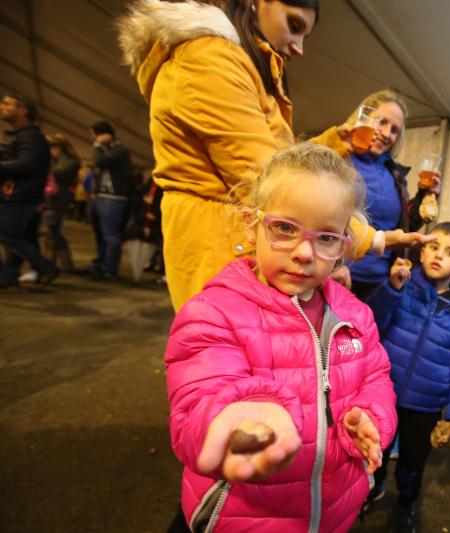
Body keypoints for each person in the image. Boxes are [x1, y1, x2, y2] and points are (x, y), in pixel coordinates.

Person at [118, 0, 429, 312]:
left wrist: (334, 142)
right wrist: (369, 240)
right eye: (294, 26)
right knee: (224, 347)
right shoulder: (209, 58)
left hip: (245, 235)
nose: (299, 47)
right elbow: (268, 177)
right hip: (221, 240)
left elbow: (275, 156)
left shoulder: (239, 63)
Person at [164, 143, 398, 532]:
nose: (305, 252)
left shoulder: (356, 313)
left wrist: (371, 416)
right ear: (251, 224)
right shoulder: (214, 313)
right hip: (246, 516)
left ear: (343, 245)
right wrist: (239, 421)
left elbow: (376, 377)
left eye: (326, 238)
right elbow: (196, 407)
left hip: (335, 509)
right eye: (285, 229)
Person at [364, 221, 450, 532]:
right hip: (383, 392)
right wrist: (391, 289)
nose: (438, 255)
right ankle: (373, 488)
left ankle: (406, 501)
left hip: (425, 404)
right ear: (421, 249)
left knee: (413, 461)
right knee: (376, 449)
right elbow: (369, 322)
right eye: (433, 246)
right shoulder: (403, 284)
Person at [337, 90, 439, 300]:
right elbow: (321, 218)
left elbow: (401, 227)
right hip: (338, 277)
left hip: (380, 285)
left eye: (394, 130)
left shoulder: (394, 174)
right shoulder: (338, 159)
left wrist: (424, 196)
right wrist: (333, 266)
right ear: (362, 118)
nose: (386, 133)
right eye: (381, 122)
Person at [0, 94, 58, 288]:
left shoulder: (31, 136)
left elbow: (27, 165)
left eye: (7, 104)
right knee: (17, 235)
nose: (2, 107)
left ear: (23, 110)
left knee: (8, 235)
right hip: (16, 194)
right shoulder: (20, 135)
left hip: (19, 195)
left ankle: (46, 267)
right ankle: (8, 274)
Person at [89, 121, 133, 280]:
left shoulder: (120, 149)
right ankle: (100, 264)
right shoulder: (107, 150)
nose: (93, 138)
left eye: (94, 134)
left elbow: (99, 161)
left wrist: (98, 145)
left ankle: (110, 268)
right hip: (100, 197)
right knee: (100, 234)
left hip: (113, 198)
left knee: (110, 235)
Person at [45, 134, 81, 272]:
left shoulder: (71, 161)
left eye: (53, 147)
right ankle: (51, 261)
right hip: (52, 198)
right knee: (50, 231)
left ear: (60, 147)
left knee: (53, 230)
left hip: (58, 199)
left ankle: (66, 263)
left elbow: (59, 173)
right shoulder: (56, 160)